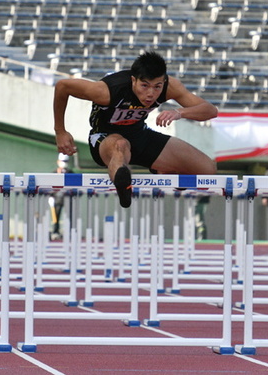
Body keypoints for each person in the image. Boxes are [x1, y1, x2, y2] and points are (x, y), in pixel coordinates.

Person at [53, 51, 218, 208]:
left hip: (139, 135)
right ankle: (123, 187)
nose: (150, 94)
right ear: (133, 80)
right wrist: (60, 131)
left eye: (157, 87)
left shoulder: (170, 86)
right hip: (106, 138)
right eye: (144, 86)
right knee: (120, 145)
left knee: (207, 170)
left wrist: (179, 112)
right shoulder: (107, 91)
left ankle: (160, 168)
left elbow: (210, 110)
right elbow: (63, 86)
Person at [49, 153, 73, 240]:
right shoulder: (55, 173)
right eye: (63, 161)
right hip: (57, 198)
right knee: (56, 216)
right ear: (58, 161)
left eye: (66, 161)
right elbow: (50, 186)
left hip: (68, 198)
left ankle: (69, 232)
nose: (64, 163)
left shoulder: (70, 173)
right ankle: (55, 232)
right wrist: (51, 196)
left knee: (69, 216)